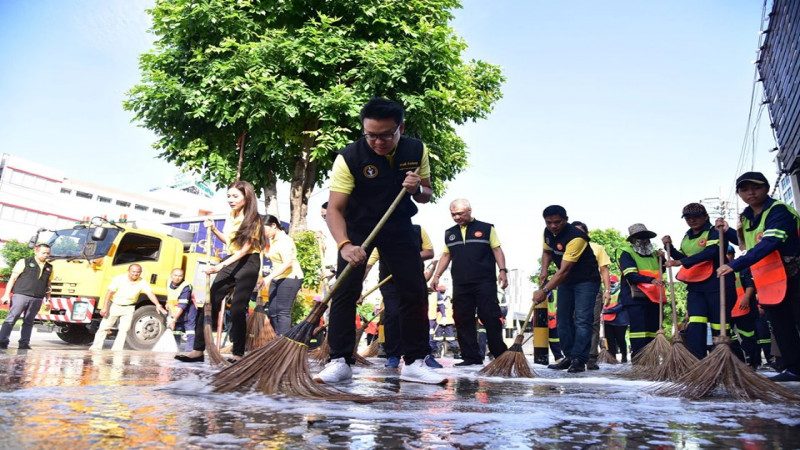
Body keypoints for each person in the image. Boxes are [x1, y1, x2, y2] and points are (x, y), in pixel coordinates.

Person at [318, 97, 444, 385]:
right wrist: (345, 245)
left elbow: (427, 194)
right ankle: (339, 360)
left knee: (412, 291)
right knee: (346, 290)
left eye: (386, 135)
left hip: (398, 225)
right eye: (371, 135)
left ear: (401, 127)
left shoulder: (416, 149)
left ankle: (414, 361)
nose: (378, 142)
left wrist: (417, 189)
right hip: (358, 227)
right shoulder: (349, 157)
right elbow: (335, 209)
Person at [717, 171, 800, 382]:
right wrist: (727, 231)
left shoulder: (778, 210)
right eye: (744, 189)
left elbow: (770, 242)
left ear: (766, 188)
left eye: (756, 187)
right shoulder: (747, 217)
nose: (751, 193)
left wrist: (734, 264)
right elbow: (747, 244)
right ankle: (794, 369)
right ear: (739, 193)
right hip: (772, 280)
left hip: (795, 272)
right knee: (782, 325)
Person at [176, 180, 264, 363]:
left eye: (235, 196)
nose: (230, 200)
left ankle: (238, 353)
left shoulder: (254, 220)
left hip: (248, 262)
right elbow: (231, 244)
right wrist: (214, 229)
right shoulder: (230, 215)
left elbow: (244, 250)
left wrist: (219, 267)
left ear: (246, 197)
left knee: (238, 309)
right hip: (231, 259)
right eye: (228, 196)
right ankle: (198, 350)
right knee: (209, 303)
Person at [431, 199, 509, 366]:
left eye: (460, 213)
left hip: (484, 282)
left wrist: (503, 270)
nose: (456, 217)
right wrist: (436, 275)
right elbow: (446, 255)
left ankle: (500, 355)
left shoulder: (487, 228)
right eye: (453, 214)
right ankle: (471, 357)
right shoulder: (449, 233)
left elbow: (497, 249)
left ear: (470, 211)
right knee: (462, 318)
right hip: (460, 283)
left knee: (490, 317)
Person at [663, 203, 738, 359]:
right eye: (688, 217)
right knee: (696, 323)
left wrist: (682, 263)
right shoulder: (687, 236)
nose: (692, 220)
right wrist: (668, 247)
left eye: (696, 216)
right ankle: (697, 361)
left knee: (720, 324)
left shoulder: (713, 231)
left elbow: (711, 252)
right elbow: (682, 257)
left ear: (705, 216)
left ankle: (724, 360)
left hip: (717, 282)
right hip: (696, 285)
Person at [532, 205, 600, 373]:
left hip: (586, 280)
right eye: (549, 222)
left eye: (557, 222)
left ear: (566, 219)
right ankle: (568, 356)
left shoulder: (577, 238)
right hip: (566, 282)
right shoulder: (547, 232)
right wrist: (544, 271)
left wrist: (545, 291)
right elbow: (547, 252)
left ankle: (579, 359)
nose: (553, 226)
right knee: (563, 319)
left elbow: (563, 271)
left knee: (582, 319)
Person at [365, 224, 438, 368]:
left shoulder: (417, 230)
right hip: (390, 283)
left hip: (414, 280)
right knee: (392, 315)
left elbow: (429, 252)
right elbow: (368, 265)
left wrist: (405, 257)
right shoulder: (380, 233)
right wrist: (357, 286)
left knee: (419, 315)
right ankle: (393, 355)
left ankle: (423, 355)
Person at [90, 264, 167, 351]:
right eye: (133, 272)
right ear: (129, 271)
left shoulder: (142, 282)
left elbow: (150, 294)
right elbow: (109, 293)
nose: (135, 274)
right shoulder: (119, 279)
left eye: (138, 272)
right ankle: (95, 347)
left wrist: (157, 304)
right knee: (104, 327)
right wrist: (105, 307)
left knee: (124, 330)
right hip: (115, 305)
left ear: (140, 273)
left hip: (129, 307)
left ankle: (117, 350)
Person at [617, 224, 665, 359]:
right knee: (639, 330)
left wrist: (663, 259)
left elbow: (661, 270)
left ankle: (652, 359)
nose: (644, 240)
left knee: (652, 330)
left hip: (654, 297)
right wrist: (651, 280)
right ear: (633, 240)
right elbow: (630, 275)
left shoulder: (655, 254)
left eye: (646, 237)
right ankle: (639, 359)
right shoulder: (626, 252)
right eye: (640, 237)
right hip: (636, 297)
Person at [572, 221, 612, 370]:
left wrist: (607, 291)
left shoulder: (597, 248)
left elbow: (604, 269)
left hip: (593, 289)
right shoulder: (567, 247)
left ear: (587, 234)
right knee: (573, 322)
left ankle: (590, 357)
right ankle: (573, 356)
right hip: (571, 289)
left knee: (592, 322)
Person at [0, 243, 52, 350]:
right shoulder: (24, 262)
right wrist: (6, 295)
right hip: (21, 295)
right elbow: (13, 279)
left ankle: (24, 343)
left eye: (48, 253)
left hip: (37, 298)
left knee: (29, 321)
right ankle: (2, 341)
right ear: (36, 252)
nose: (46, 255)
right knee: (11, 319)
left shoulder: (49, 267)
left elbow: (48, 285)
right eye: (43, 253)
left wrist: (48, 299)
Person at [262, 214, 304, 336]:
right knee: (273, 310)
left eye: (264, 230)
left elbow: (288, 263)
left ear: (273, 225)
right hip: (278, 277)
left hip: (290, 277)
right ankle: (276, 339)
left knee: (282, 311)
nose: (263, 233)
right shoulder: (273, 240)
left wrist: (268, 277)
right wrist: (264, 250)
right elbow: (274, 257)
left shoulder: (284, 240)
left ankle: (283, 342)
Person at [166, 268, 197, 352]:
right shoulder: (168, 282)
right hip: (176, 309)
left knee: (189, 330)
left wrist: (174, 319)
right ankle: (176, 348)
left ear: (183, 276)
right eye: (175, 275)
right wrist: (167, 303)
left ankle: (189, 351)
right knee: (176, 330)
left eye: (180, 276)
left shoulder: (186, 287)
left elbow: (182, 305)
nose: (177, 278)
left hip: (188, 311)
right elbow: (170, 294)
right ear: (171, 275)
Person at [601, 275, 629, 362]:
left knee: (620, 338)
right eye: (609, 283)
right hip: (607, 320)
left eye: (612, 283)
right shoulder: (604, 294)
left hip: (620, 320)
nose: (610, 285)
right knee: (609, 340)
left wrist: (607, 311)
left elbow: (621, 305)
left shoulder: (621, 292)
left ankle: (624, 356)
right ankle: (612, 358)